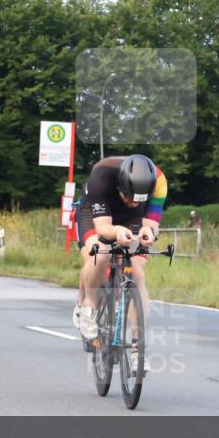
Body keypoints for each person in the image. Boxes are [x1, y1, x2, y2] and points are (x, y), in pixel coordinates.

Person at [72, 155, 167, 376]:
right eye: (130, 197)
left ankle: (137, 350)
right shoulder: (101, 177)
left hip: (131, 218)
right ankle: (88, 304)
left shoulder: (159, 182)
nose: (134, 202)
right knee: (100, 254)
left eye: (139, 200)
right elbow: (103, 228)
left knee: (137, 273)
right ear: (120, 186)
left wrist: (149, 232)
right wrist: (116, 231)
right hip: (95, 213)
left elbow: (152, 223)